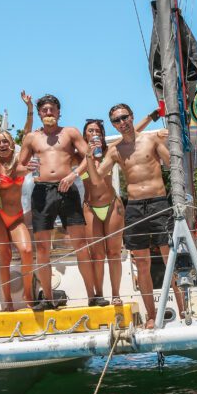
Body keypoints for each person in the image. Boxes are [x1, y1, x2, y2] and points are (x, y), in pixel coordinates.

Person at [85, 103, 184, 328]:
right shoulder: (115, 150)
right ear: (113, 124)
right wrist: (89, 158)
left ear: (132, 117)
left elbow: (173, 164)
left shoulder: (151, 140)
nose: (122, 123)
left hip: (159, 204)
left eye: (124, 117)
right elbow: (97, 178)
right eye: (117, 120)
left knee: (170, 260)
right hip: (135, 207)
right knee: (142, 263)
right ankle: (151, 315)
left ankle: (183, 310)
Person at [18, 94, 95, 311]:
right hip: (42, 191)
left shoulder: (69, 132)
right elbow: (18, 167)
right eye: (45, 110)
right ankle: (49, 299)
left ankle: (92, 296)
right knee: (42, 248)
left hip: (67, 188)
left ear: (59, 112)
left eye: (52, 110)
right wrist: (28, 168)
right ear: (40, 114)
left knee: (80, 244)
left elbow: (88, 156)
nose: (49, 113)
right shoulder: (32, 138)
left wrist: (73, 175)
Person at [0, 91, 34, 310]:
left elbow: (27, 134)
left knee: (26, 251)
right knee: (4, 255)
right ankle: (7, 300)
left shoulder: (20, 163)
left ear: (11, 143)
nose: (3, 145)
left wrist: (29, 108)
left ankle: (28, 295)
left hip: (15, 217)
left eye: (5, 141)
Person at [84, 119, 124, 306]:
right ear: (85, 135)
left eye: (97, 131)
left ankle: (116, 294)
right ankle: (99, 295)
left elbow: (130, 134)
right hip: (90, 207)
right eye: (90, 131)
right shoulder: (79, 155)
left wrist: (152, 118)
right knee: (97, 255)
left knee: (114, 253)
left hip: (112, 205)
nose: (94, 134)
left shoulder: (110, 151)